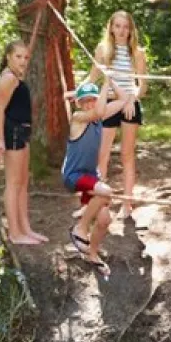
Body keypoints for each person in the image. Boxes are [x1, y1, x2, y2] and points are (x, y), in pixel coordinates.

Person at [62, 79, 137, 275]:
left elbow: (124, 99)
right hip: (73, 175)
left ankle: (93, 254)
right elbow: (99, 111)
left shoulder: (100, 117)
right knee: (105, 191)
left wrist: (111, 80)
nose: (89, 104)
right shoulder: (78, 118)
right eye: (84, 101)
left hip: (90, 176)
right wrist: (104, 86)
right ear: (79, 104)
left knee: (104, 220)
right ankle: (80, 229)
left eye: (92, 100)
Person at [86, 11, 149, 220]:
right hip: (109, 103)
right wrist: (78, 92)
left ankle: (127, 204)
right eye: (118, 26)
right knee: (102, 154)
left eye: (126, 27)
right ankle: (100, 201)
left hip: (130, 104)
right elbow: (92, 77)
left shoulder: (137, 53)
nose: (122, 31)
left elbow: (143, 86)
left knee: (126, 155)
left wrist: (131, 99)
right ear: (111, 28)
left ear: (131, 30)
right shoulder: (103, 49)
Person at [0, 40, 46, 245]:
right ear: (8, 57)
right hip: (13, 133)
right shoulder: (9, 78)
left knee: (22, 182)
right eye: (18, 57)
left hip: (22, 132)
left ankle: (25, 228)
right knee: (13, 183)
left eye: (26, 57)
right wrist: (1, 140)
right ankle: (14, 232)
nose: (23, 61)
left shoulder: (10, 76)